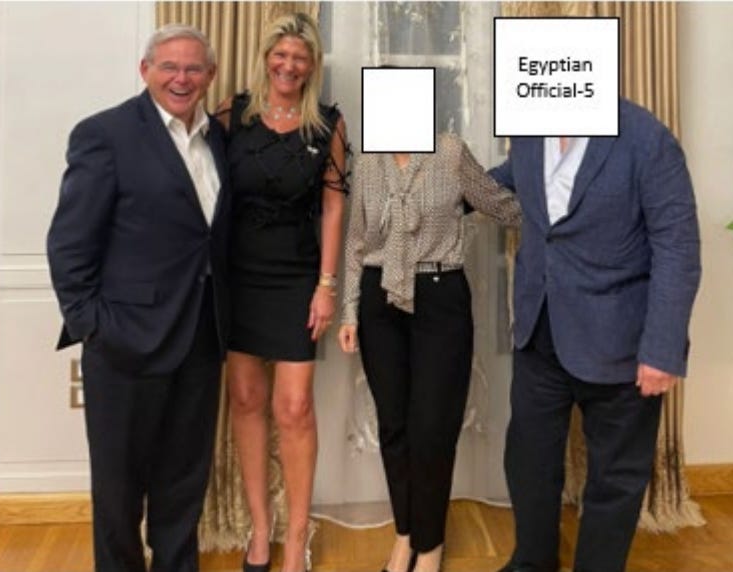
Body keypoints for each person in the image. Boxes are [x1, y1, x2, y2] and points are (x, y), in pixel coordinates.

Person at [487, 98, 701, 572]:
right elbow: (510, 178)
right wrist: (445, 178)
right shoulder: (530, 128)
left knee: (615, 479)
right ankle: (532, 562)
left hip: (620, 342)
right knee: (528, 461)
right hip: (540, 332)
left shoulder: (648, 139)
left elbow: (677, 247)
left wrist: (662, 349)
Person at [46, 24, 230, 572]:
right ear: (145, 70)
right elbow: (69, 243)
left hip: (200, 338)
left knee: (184, 480)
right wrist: (92, 325)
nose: (181, 78)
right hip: (124, 342)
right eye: (169, 66)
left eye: (193, 68)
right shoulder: (105, 134)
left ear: (210, 75)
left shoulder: (218, 139)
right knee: (119, 489)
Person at [338, 133, 521, 572]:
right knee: (394, 425)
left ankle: (430, 542)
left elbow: (501, 205)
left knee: (433, 430)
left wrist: (556, 202)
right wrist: (349, 311)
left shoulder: (450, 152)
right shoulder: (370, 161)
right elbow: (356, 242)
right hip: (379, 299)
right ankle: (405, 535)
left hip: (441, 297)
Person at [215, 12, 347, 572]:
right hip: (236, 278)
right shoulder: (234, 115)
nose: (289, 65)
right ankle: (259, 528)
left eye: (300, 57)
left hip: (296, 278)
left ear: (312, 65)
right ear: (267, 57)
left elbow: (335, 207)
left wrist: (326, 285)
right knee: (246, 400)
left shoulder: (328, 125)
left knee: (293, 408)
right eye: (281, 54)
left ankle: (296, 537)